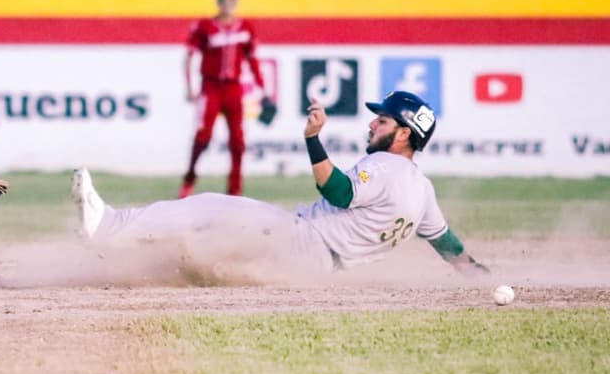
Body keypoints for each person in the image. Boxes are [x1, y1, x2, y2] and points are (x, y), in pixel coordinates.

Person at [73, 90, 489, 278]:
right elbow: (446, 243)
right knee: (200, 252)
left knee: (207, 209)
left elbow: (338, 192)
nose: (372, 123)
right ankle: (119, 258)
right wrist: (477, 274)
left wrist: (312, 138)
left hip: (300, 239)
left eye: (382, 120)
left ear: (403, 134)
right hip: (315, 268)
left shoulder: (386, 166)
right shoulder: (422, 190)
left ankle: (108, 227)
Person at [180, 0, 274, 198]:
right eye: (225, 0)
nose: (228, 5)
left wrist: (263, 90)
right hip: (211, 86)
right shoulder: (205, 27)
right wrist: (190, 87)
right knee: (203, 136)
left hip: (233, 88)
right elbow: (190, 57)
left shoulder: (245, 28)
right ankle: (190, 178)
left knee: (238, 141)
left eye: (232, 0)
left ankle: (235, 190)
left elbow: (253, 61)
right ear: (219, 2)